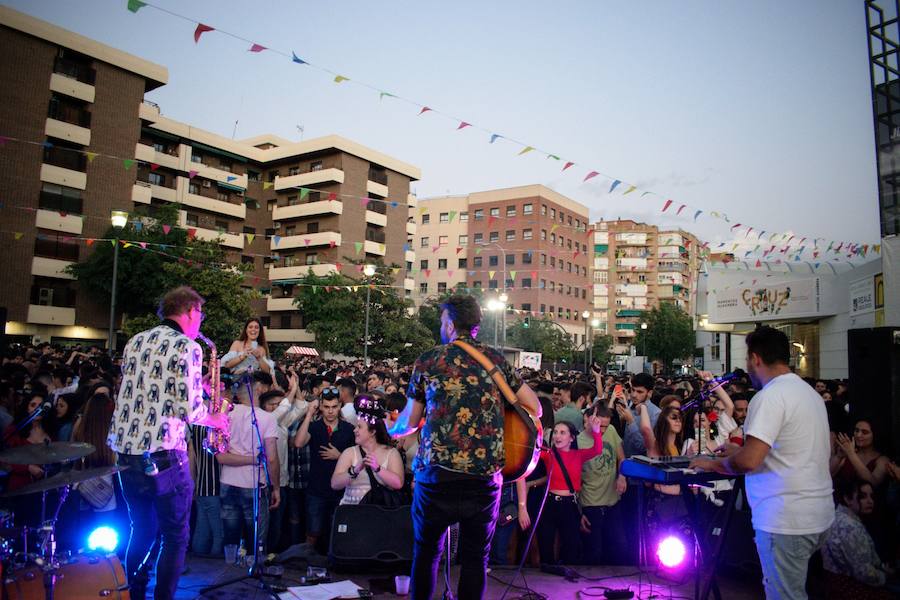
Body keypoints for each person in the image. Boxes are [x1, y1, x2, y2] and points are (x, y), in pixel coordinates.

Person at [389, 295, 541, 600]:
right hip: (484, 478)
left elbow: (410, 421)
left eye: (441, 320)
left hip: (437, 476)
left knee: (427, 553)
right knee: (475, 559)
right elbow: (535, 407)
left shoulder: (430, 360)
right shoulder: (497, 361)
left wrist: (392, 428)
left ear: (449, 322)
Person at [690, 326, 834, 600]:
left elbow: (749, 461)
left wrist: (710, 464)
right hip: (818, 513)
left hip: (787, 519)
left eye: (747, 359)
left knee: (785, 595)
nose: (747, 365)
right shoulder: (808, 393)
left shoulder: (770, 396)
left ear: (756, 358)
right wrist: (735, 450)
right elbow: (788, 450)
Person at [108, 286, 228, 600]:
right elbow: (189, 411)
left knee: (142, 530)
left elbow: (151, 391)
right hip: (164, 453)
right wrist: (215, 418)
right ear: (190, 311)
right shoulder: (188, 347)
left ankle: (132, 594)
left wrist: (196, 387)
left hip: (125, 451)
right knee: (175, 537)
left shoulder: (136, 340)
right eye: (200, 314)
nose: (200, 322)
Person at [216, 381, 280, 555]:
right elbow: (272, 458)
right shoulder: (267, 418)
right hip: (253, 484)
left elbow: (221, 456)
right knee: (256, 536)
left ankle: (230, 570)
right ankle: (253, 569)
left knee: (230, 536)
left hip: (228, 481)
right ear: (258, 390)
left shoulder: (225, 415)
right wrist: (276, 488)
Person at [293, 385, 354, 553]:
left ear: (340, 406)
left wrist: (339, 456)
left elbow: (357, 461)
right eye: (326, 407)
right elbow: (298, 443)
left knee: (338, 532)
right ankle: (307, 562)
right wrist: (309, 415)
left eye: (334, 407)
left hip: (341, 491)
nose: (330, 411)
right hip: (316, 489)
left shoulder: (348, 429)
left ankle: (336, 565)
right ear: (321, 406)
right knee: (312, 532)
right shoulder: (314, 427)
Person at [821, 480, 896, 599]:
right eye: (862, 496)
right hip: (846, 587)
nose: (870, 501)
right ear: (848, 499)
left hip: (833, 584)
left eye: (871, 496)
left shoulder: (837, 516)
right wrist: (884, 576)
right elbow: (863, 573)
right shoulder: (850, 527)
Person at [330, 395, 404, 505]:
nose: (355, 430)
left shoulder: (391, 453)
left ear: (373, 432)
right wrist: (354, 470)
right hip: (352, 512)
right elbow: (335, 484)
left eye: (359, 427)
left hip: (380, 514)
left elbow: (398, 484)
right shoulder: (350, 453)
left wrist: (377, 468)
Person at [578, 404, 627, 565]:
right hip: (591, 504)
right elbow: (575, 480)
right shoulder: (579, 442)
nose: (603, 430)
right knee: (594, 552)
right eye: (600, 425)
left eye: (606, 425)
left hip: (613, 502)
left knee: (619, 548)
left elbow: (622, 458)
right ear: (589, 419)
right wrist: (580, 512)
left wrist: (621, 476)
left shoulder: (612, 431)